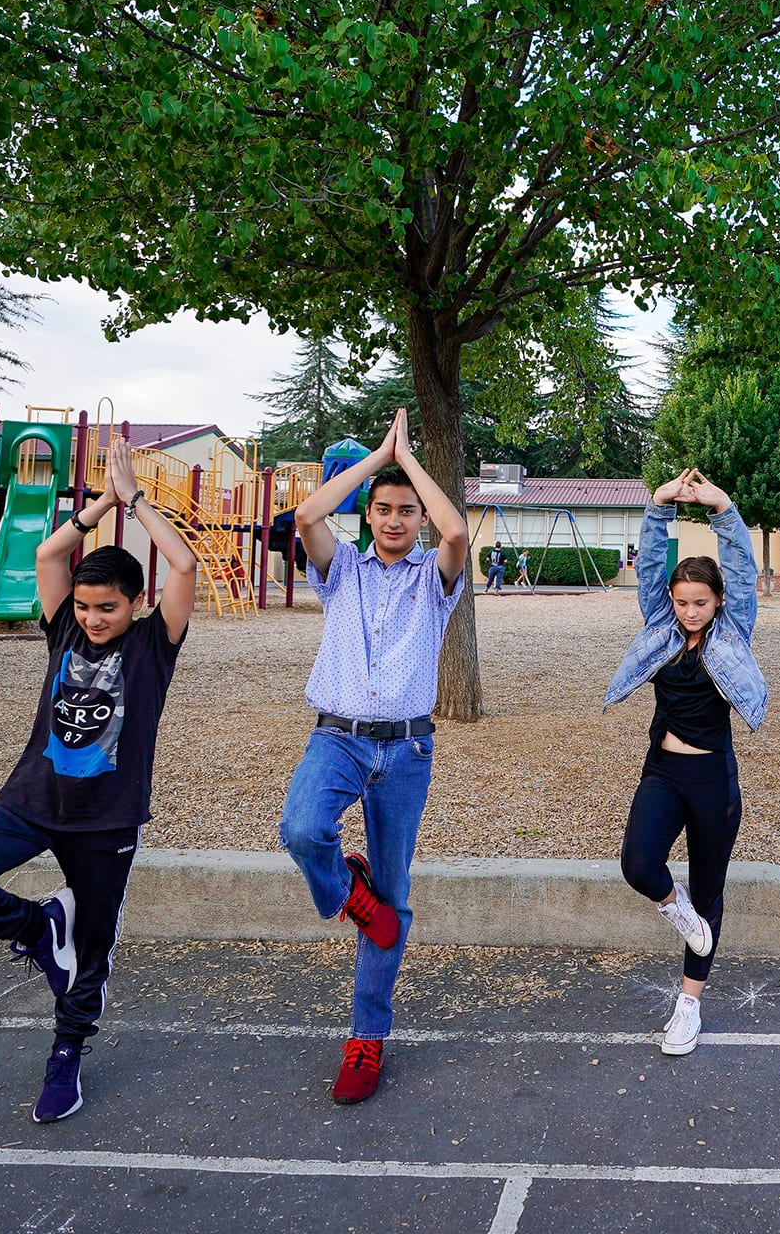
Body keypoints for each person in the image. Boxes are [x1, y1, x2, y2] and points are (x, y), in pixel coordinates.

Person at [0, 439, 196, 1124]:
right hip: (31, 801)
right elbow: (46, 555)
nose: (93, 618)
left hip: (107, 819)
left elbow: (182, 563)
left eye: (108, 608)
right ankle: (39, 926)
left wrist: (136, 501)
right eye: (87, 607)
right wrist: (100, 504)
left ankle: (67, 1053)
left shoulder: (153, 645)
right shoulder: (63, 627)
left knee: (91, 952)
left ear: (137, 604)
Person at [276, 408, 468, 1105]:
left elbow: (456, 532)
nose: (393, 520)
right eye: (383, 509)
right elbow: (306, 515)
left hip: (407, 749)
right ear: (368, 513)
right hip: (337, 737)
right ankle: (346, 893)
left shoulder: (434, 580)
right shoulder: (343, 571)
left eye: (405, 511)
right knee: (302, 829)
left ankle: (367, 1037)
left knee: (394, 895)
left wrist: (408, 459)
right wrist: (377, 459)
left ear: (418, 518)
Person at [605, 468, 766, 1057]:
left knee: (709, 888)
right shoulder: (661, 627)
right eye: (682, 602)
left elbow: (742, 569)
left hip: (712, 778)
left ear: (718, 602)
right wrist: (660, 506)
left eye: (700, 602)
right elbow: (651, 566)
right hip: (664, 771)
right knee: (638, 864)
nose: (690, 611)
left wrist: (722, 508)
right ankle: (679, 911)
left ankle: (688, 1005)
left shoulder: (733, 632)